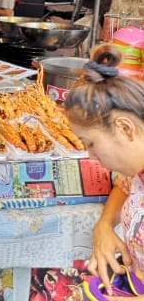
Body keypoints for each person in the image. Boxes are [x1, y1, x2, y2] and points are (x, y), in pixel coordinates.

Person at [63, 44, 144, 293]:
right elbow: (124, 188)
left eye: (92, 144)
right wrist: (105, 226)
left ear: (125, 128)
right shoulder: (135, 171)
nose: (91, 155)